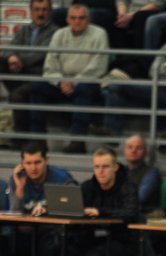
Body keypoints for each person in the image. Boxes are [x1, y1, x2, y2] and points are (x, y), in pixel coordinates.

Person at [100, 14, 166, 135]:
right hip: (156, 87)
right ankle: (112, 131)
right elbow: (153, 71)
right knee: (115, 86)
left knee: (120, 88)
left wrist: (165, 66)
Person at [7, 143, 77, 256]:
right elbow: (15, 216)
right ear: (22, 164)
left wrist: (49, 210)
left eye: (37, 162)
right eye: (28, 163)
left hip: (52, 235)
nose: (33, 168)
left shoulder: (62, 179)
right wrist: (19, 190)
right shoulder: (18, 179)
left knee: (48, 249)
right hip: (24, 236)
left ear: (46, 160)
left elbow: (73, 209)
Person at [64, 146, 140, 256]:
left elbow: (130, 212)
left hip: (122, 240)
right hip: (91, 237)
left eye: (105, 166)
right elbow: (72, 208)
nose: (100, 171)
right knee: (65, 253)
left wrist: (100, 211)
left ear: (115, 167)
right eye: (97, 167)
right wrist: (46, 208)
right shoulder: (88, 186)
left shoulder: (128, 186)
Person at [29, 4, 109, 154]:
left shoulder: (99, 34)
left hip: (86, 82)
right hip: (61, 82)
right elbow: (50, 65)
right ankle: (38, 140)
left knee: (85, 88)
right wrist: (61, 81)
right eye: (73, 18)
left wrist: (75, 81)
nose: (77, 21)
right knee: (37, 86)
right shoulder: (59, 34)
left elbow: (98, 66)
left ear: (88, 19)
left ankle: (77, 141)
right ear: (67, 19)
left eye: (81, 18)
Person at [0, 0, 58, 146]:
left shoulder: (55, 32)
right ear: (31, 11)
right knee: (2, 61)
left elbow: (41, 54)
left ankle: (20, 138)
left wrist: (19, 59)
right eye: (37, 9)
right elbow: (9, 48)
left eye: (44, 10)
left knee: (17, 95)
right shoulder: (24, 29)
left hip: (40, 76)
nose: (40, 13)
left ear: (50, 12)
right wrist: (12, 57)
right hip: (21, 72)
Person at [122, 134, 161, 215]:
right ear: (124, 151)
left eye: (139, 148)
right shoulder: (119, 171)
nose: (133, 151)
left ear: (145, 152)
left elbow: (139, 198)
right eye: (130, 147)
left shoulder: (152, 173)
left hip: (144, 217)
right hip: (122, 214)